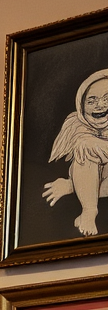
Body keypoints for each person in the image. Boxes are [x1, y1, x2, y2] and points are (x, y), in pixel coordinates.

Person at [43, 70, 108, 237]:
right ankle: (89, 210)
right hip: (94, 176)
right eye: (91, 101)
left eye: (107, 99)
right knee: (83, 152)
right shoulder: (78, 127)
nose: (100, 105)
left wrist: (71, 186)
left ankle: (75, 188)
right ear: (81, 106)